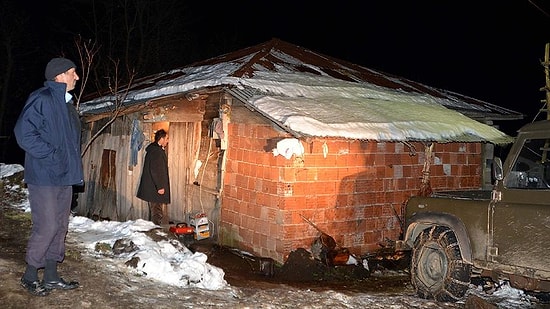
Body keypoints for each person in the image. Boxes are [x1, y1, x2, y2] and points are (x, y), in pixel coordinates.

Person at [13, 57, 84, 296]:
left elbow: (71, 145)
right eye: (72, 72)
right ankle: (30, 275)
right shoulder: (41, 99)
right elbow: (23, 133)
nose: (76, 77)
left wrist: (70, 168)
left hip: (64, 177)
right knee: (47, 225)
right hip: (43, 176)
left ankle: (51, 276)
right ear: (59, 75)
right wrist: (52, 156)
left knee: (61, 226)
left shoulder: (68, 107)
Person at [137, 129, 171, 225]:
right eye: (167, 138)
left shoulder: (154, 149)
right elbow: (155, 170)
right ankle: (155, 234)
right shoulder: (157, 151)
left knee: (154, 211)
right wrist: (160, 186)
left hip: (152, 187)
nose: (168, 141)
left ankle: (153, 231)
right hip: (155, 189)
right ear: (161, 139)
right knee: (157, 212)